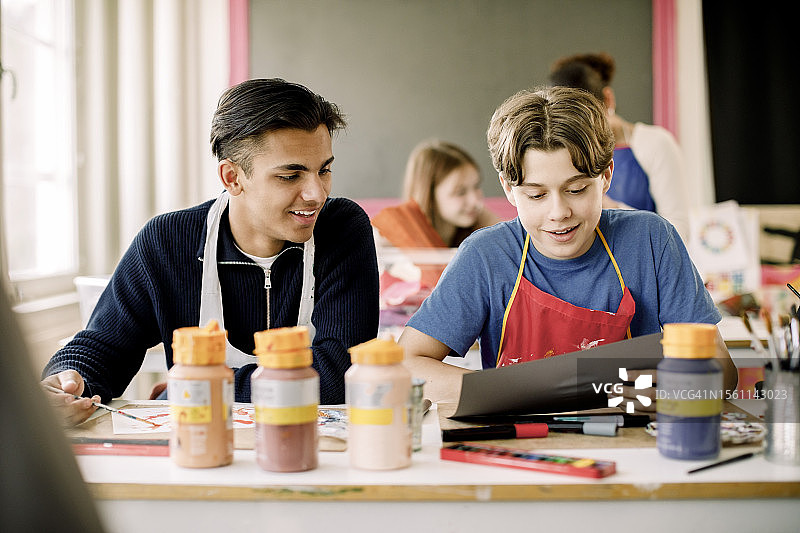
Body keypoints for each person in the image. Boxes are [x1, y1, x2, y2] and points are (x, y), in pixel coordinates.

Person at [42, 78, 380, 425]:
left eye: (324, 170)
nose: (316, 193)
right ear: (232, 177)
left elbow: (341, 375)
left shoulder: (341, 229)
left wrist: (191, 388)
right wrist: (68, 381)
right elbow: (103, 348)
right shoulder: (168, 242)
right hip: (201, 448)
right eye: (291, 176)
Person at [398, 86, 736, 405]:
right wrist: (516, 392)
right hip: (520, 445)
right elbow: (407, 365)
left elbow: (720, 371)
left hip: (636, 442)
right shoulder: (486, 257)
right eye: (536, 195)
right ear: (508, 188)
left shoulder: (651, 240)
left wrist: (625, 397)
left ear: (605, 176)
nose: (559, 213)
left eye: (576, 190)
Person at [549, 52, 690, 242]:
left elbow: (679, 232)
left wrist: (612, 209)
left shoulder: (655, 143)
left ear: (608, 99)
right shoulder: (563, 154)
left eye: (587, 120)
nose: (582, 133)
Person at [401, 139, 500, 248]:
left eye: (476, 186)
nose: (475, 201)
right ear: (430, 197)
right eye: (460, 192)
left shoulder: (482, 221)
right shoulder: (397, 236)